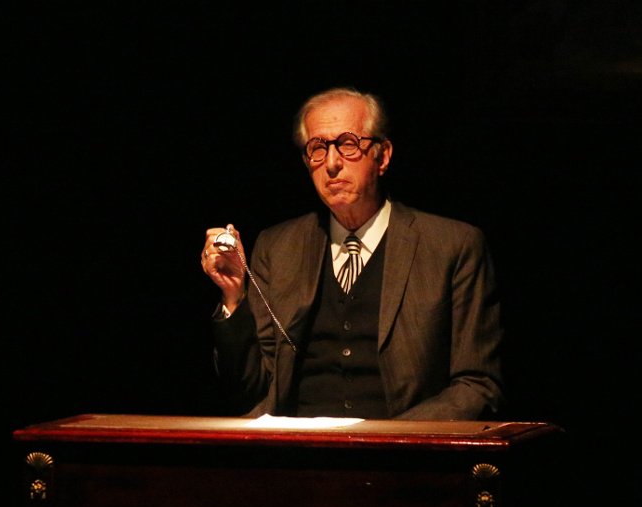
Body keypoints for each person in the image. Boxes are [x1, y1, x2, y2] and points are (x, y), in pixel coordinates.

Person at [199, 86, 505, 421]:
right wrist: (233, 296)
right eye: (317, 148)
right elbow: (250, 390)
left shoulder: (451, 246)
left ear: (382, 156)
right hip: (298, 445)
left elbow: (477, 385)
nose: (332, 164)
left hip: (403, 445)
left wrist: (391, 439)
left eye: (348, 144)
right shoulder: (277, 247)